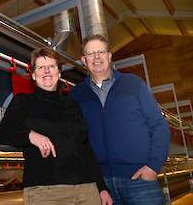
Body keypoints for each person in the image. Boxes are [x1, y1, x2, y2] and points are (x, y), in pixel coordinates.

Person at [0, 47, 112, 205]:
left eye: (51, 66)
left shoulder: (72, 105)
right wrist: (31, 136)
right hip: (46, 192)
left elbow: (85, 149)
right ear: (34, 75)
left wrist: (101, 187)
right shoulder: (23, 102)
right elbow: (3, 134)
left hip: (86, 189)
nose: (47, 71)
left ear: (59, 73)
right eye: (41, 67)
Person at [70, 34, 170, 205]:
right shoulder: (77, 94)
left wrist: (153, 166)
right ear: (84, 60)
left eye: (101, 52)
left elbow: (159, 126)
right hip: (102, 185)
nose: (96, 57)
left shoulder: (133, 84)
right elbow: (76, 138)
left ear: (109, 56)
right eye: (90, 53)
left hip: (139, 179)